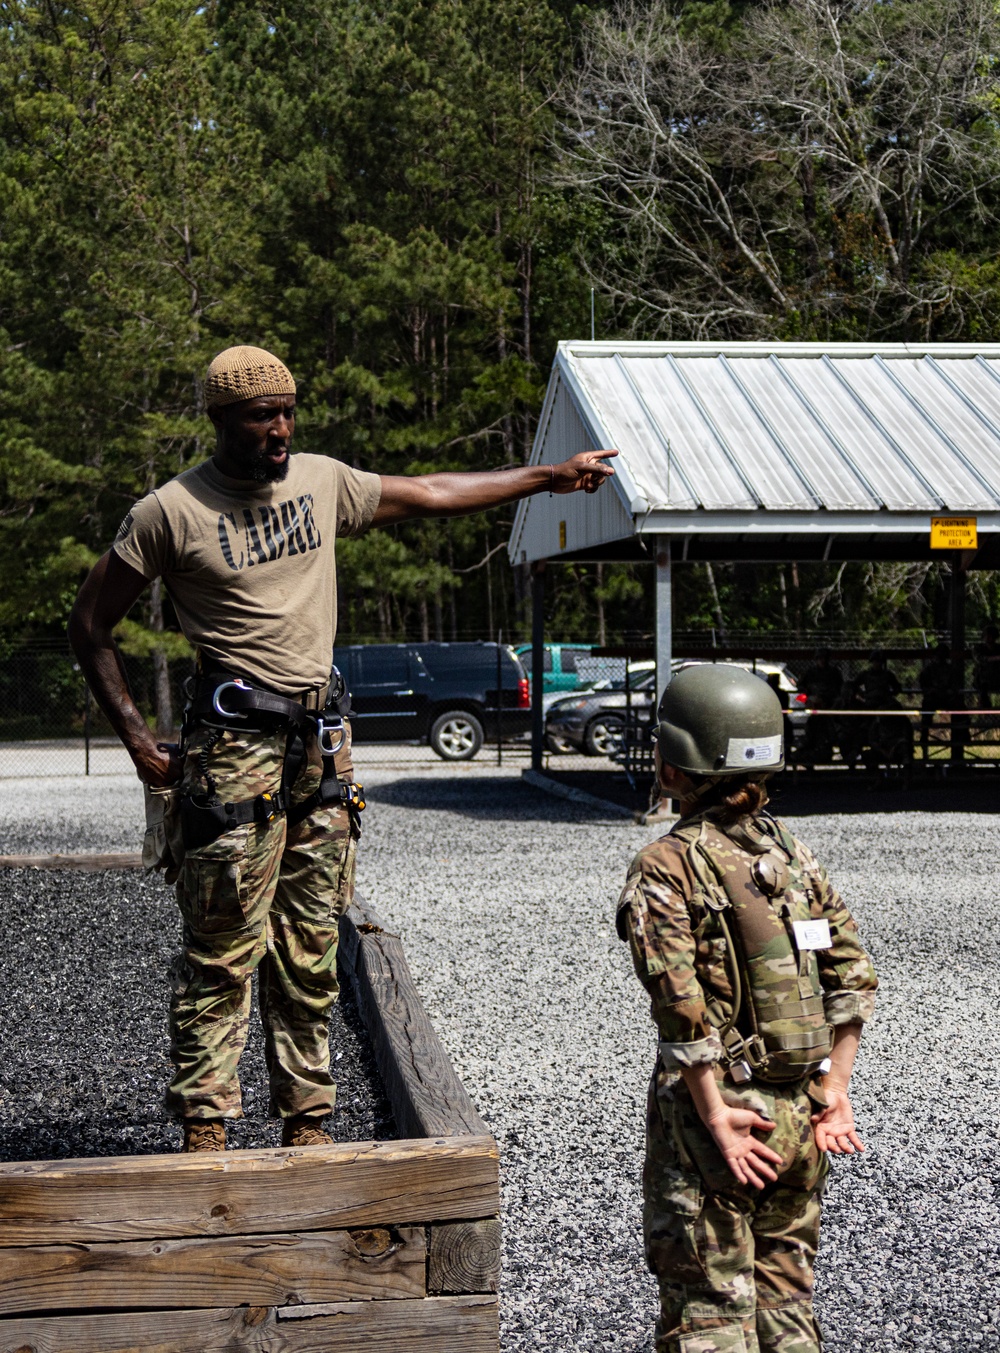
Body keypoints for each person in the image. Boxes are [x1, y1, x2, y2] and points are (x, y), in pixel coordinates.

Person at [69, 344, 617, 1152]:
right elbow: (90, 626)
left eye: (288, 412)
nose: (280, 429)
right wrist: (138, 742)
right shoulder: (169, 512)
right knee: (223, 948)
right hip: (233, 750)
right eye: (262, 416)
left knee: (312, 944)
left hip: (322, 749)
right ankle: (207, 1132)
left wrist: (548, 476)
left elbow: (431, 491)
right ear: (222, 420)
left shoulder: (322, 481)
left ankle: (308, 1123)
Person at [616, 664, 877, 1352]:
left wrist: (715, 1117)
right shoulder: (791, 848)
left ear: (672, 768)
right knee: (787, 1302)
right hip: (803, 1113)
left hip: (721, 1121)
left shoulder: (665, 864)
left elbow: (680, 1005)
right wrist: (836, 1089)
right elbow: (853, 974)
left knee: (707, 1308)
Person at [918, 644, 957, 757]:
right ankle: (924, 734)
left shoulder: (950, 669)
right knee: (927, 706)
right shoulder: (929, 669)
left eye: (943, 655)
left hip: (946, 698)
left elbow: (955, 686)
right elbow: (923, 685)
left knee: (959, 707)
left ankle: (962, 733)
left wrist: (949, 692)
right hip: (933, 698)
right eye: (939, 655)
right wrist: (930, 691)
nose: (940, 658)